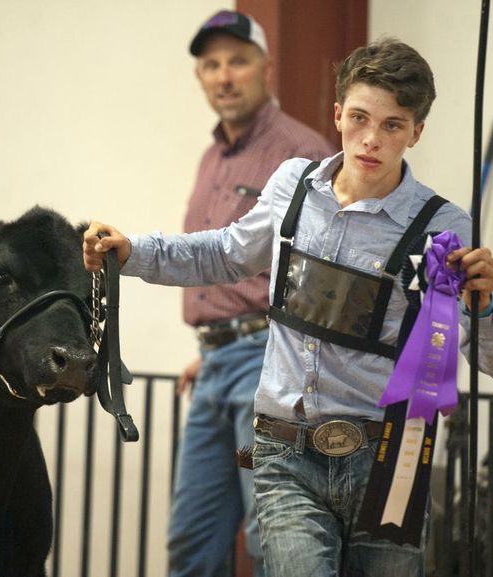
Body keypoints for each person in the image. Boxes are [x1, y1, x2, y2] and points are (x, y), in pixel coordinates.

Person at [84, 38, 493, 577]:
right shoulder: (293, 184)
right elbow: (225, 253)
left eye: (393, 125)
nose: (371, 139)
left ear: (417, 131)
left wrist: (481, 308)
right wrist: (134, 251)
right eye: (360, 117)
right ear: (337, 114)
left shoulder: (446, 227)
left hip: (390, 464)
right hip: (284, 454)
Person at [162, 10, 335, 577]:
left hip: (268, 366)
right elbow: (230, 264)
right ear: (200, 78)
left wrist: (258, 342)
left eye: (238, 60)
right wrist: (214, 344)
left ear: (266, 67)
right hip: (216, 364)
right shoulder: (211, 157)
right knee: (194, 537)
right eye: (211, 65)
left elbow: (321, 275)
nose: (224, 75)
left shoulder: (300, 152)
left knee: (273, 538)